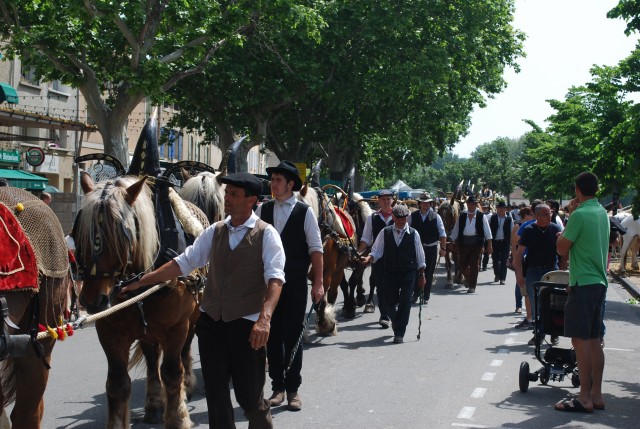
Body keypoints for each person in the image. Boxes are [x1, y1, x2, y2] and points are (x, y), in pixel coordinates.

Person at [120, 172, 285, 428]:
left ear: (251, 200)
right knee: (217, 398)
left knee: (249, 398)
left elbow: (275, 279)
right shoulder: (214, 231)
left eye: (234, 195)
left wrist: (264, 319)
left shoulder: (267, 235)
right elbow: (183, 263)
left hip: (248, 328)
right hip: (212, 326)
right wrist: (141, 281)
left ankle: (261, 420)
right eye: (227, 193)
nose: (227, 198)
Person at [255, 160, 323, 411]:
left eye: (277, 180)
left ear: (290, 184)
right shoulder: (263, 210)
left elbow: (316, 250)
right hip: (268, 286)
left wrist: (318, 283)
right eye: (272, 180)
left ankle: (294, 389)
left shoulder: (305, 212)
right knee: (270, 335)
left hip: (294, 284)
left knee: (293, 336)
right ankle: (278, 388)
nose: (273, 184)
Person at [554, 172, 608, 413]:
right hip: (599, 281)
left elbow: (561, 247)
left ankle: (583, 396)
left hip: (583, 282)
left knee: (580, 340)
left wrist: (565, 228)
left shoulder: (579, 214)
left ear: (577, 190)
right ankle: (596, 394)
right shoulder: (600, 212)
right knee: (595, 339)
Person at [361, 204, 426, 343]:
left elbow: (420, 257)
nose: (402, 221)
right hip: (390, 272)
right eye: (399, 218)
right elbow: (376, 251)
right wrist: (368, 258)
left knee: (405, 301)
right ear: (393, 218)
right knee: (389, 302)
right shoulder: (385, 232)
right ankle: (397, 323)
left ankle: (399, 332)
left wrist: (422, 275)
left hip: (408, 272)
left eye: (404, 218)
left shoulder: (414, 234)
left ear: (407, 218)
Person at [513, 204, 565, 346]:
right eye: (545, 214)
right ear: (537, 216)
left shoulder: (555, 229)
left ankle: (554, 332)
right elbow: (518, 255)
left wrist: (561, 269)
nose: (549, 217)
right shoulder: (529, 230)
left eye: (550, 213)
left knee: (553, 302)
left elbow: (563, 252)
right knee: (536, 304)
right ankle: (538, 334)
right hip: (533, 270)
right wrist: (519, 275)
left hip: (551, 271)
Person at [357, 189, 395, 327]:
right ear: (378, 201)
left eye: (388, 199)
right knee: (380, 286)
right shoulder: (372, 218)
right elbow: (366, 239)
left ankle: (392, 310)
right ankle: (384, 315)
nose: (385, 201)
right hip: (377, 257)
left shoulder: (400, 216)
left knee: (393, 286)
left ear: (392, 200)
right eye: (383, 199)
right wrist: (358, 252)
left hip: (396, 258)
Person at [409, 192, 446, 304]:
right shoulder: (413, 216)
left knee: (429, 272)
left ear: (430, 203)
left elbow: (442, 234)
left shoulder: (436, 217)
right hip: (416, 248)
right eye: (423, 203)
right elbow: (407, 230)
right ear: (419, 203)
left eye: (427, 203)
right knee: (416, 272)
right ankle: (415, 294)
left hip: (431, 248)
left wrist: (443, 248)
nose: (425, 205)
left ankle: (425, 295)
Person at [450, 195, 493, 293]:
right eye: (469, 204)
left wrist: (490, 245)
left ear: (476, 205)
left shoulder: (481, 216)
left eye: (473, 204)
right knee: (461, 264)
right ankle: (469, 279)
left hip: (476, 244)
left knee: (474, 265)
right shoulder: (462, 216)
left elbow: (488, 231)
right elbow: (456, 229)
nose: (471, 206)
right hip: (464, 243)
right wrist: (452, 239)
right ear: (467, 204)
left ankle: (472, 286)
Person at [490, 201, 514, 285]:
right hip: (495, 241)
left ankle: (502, 278)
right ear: (497, 209)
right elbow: (489, 230)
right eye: (499, 208)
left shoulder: (509, 219)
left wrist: (511, 243)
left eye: (502, 208)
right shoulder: (493, 218)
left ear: (505, 209)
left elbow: (512, 230)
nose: (501, 210)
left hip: (505, 242)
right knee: (495, 260)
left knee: (504, 260)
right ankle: (497, 274)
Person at [480, 202, 492, 271]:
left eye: (485, 208)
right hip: (481, 234)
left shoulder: (491, 215)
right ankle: (478, 263)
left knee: (487, 251)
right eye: (483, 207)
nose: (484, 209)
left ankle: (484, 264)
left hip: (487, 234)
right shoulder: (479, 215)